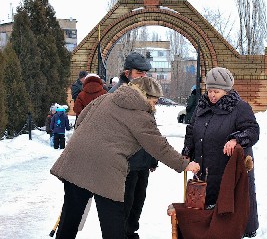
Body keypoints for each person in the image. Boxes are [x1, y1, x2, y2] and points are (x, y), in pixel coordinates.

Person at [50, 76, 200, 239]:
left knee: (70, 218)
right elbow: (158, 146)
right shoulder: (140, 114)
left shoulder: (106, 98)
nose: (153, 106)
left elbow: (81, 120)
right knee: (113, 223)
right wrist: (184, 164)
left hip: (75, 159)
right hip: (106, 169)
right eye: (154, 102)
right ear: (145, 96)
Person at [182, 67, 260, 238]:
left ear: (226, 90)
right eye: (209, 90)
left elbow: (253, 131)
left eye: (216, 91)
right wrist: (187, 150)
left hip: (228, 172)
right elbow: (191, 130)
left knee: (229, 214)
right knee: (206, 214)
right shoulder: (202, 106)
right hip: (204, 168)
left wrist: (236, 140)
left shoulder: (240, 107)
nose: (212, 95)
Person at [108, 52, 154, 239]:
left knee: (137, 205)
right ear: (127, 73)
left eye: (145, 73)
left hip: (142, 161)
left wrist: (151, 158)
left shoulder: (146, 94)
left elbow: (149, 129)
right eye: (139, 73)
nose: (143, 76)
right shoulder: (115, 95)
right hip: (124, 164)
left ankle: (131, 234)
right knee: (123, 208)